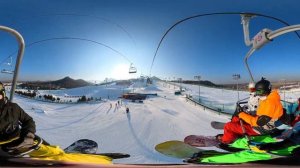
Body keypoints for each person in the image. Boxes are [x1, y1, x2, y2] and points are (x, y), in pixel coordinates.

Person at [220, 78, 284, 144]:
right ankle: (233, 134)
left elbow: (258, 123)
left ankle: (226, 141)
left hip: (260, 129)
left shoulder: (270, 103)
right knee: (236, 118)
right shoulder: (269, 98)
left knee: (228, 126)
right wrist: (243, 113)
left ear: (266, 90)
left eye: (259, 92)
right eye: (257, 92)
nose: (258, 94)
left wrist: (241, 114)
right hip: (261, 124)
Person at [0, 82, 36, 153]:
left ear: (3, 94)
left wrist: (29, 134)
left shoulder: (13, 108)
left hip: (17, 143)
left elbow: (28, 120)